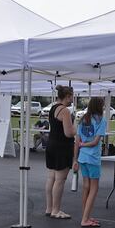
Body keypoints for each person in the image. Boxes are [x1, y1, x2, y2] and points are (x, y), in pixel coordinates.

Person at [73, 97, 107, 227]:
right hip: (93, 158)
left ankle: (85, 216)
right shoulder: (101, 121)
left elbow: (77, 142)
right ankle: (85, 219)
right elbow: (95, 142)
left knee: (86, 187)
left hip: (82, 158)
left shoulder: (83, 119)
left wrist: (75, 159)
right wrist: (84, 144)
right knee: (94, 188)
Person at [45, 85, 77, 219]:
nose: (72, 99)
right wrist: (78, 129)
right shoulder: (65, 111)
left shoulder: (53, 108)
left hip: (51, 145)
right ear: (68, 96)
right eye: (72, 96)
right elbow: (68, 133)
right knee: (60, 180)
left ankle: (49, 208)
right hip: (61, 148)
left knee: (51, 178)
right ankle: (56, 210)